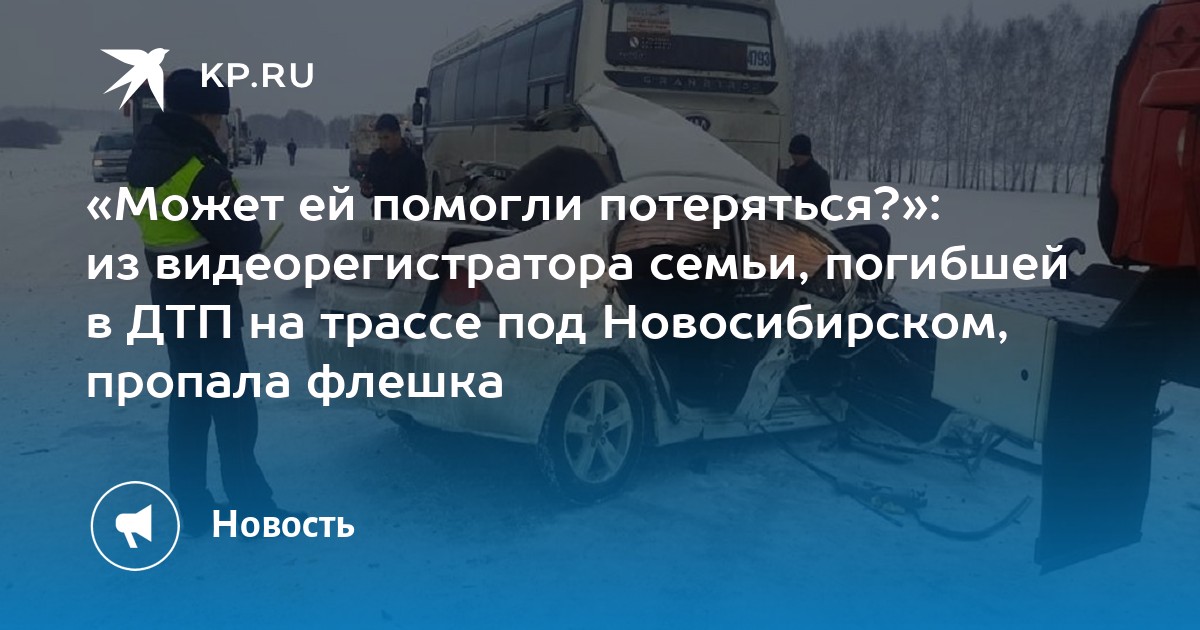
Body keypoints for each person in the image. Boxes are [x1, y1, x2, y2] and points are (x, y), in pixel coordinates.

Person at [125, 69, 302, 534]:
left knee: (188, 406)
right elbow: (244, 239)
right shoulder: (200, 172)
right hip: (210, 303)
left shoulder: (144, 160)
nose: (222, 127)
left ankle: (192, 507)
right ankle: (252, 505)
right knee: (234, 408)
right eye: (219, 118)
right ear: (202, 116)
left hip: (170, 299)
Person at [359, 114, 427, 203]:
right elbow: (370, 185)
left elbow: (419, 196)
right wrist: (366, 189)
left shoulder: (414, 162)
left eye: (386, 138)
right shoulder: (376, 159)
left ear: (397, 135)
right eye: (380, 138)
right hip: (381, 211)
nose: (383, 143)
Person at [782, 134, 833, 224]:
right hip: (789, 223)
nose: (794, 158)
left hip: (808, 226)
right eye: (792, 155)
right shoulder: (791, 172)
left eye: (797, 155)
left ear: (806, 154)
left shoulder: (819, 176)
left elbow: (823, 213)